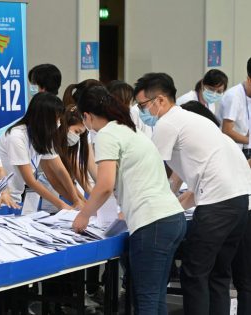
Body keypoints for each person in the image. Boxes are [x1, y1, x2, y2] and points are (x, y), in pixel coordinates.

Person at [133, 72, 251, 315]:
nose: (142, 111)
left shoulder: (168, 123)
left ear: (161, 101)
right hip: (240, 202)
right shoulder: (197, 121)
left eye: (143, 105)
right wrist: (174, 205)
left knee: (194, 273)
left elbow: (152, 169)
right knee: (218, 274)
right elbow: (200, 178)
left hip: (217, 206)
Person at [71, 85, 185, 315]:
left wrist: (84, 215)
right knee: (156, 296)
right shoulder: (128, 130)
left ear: (87, 116)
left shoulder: (107, 135)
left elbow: (103, 186)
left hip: (152, 222)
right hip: (171, 218)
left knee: (147, 300)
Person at [180, 100, 251, 315]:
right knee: (220, 275)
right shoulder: (224, 141)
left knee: (197, 274)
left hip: (224, 210)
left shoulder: (205, 143)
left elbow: (198, 189)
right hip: (241, 207)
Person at [0, 92, 85, 211]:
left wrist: (76, 200)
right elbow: (31, 181)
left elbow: (60, 170)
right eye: (57, 119)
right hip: (0, 196)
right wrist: (62, 205)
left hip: (15, 196)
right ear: (44, 118)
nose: (59, 123)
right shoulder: (16, 136)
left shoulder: (43, 136)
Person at [220, 58, 251, 159]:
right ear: (249, 80)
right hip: (233, 151)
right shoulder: (234, 96)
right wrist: (248, 140)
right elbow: (227, 131)